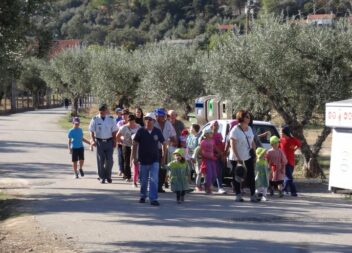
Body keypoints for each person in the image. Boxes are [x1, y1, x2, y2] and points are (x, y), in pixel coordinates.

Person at [131, 112, 167, 206]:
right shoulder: (140, 131)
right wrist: (134, 157)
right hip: (143, 160)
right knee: (143, 180)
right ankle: (143, 196)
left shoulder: (157, 131)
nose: (148, 121)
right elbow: (135, 143)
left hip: (155, 159)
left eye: (150, 119)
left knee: (154, 179)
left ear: (154, 121)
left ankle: (153, 199)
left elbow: (164, 143)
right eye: (146, 119)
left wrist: (164, 156)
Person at [229, 110, 258, 202]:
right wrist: (237, 158)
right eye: (247, 117)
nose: (249, 119)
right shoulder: (235, 130)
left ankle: (253, 195)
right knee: (238, 176)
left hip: (248, 156)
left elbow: (252, 142)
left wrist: (255, 153)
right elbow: (232, 145)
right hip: (236, 157)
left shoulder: (249, 129)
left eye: (249, 117)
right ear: (242, 118)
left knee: (251, 175)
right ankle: (238, 195)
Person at [88, 103, 117, 184]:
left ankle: (108, 176)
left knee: (110, 161)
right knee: (101, 160)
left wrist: (115, 141)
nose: (102, 112)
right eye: (100, 111)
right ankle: (102, 177)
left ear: (106, 111)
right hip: (99, 141)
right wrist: (93, 140)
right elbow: (91, 130)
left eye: (103, 111)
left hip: (109, 141)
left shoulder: (111, 119)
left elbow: (114, 131)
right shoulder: (95, 119)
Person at [154, 108, 177, 193]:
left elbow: (174, 138)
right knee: (154, 167)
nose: (163, 117)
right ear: (156, 116)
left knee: (162, 167)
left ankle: (160, 186)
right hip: (153, 149)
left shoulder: (168, 124)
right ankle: (154, 185)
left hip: (164, 149)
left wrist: (171, 140)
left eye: (164, 115)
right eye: (161, 115)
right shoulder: (153, 124)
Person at [116, 114, 141, 183]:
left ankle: (137, 175)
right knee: (127, 161)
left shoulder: (138, 127)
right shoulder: (123, 127)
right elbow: (117, 136)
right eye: (129, 121)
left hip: (136, 146)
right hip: (126, 146)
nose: (131, 122)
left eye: (132, 121)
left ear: (134, 120)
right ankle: (128, 176)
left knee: (136, 160)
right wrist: (121, 141)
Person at [280, 125, 301, 197]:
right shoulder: (281, 140)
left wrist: (294, 149)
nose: (280, 133)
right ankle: (293, 192)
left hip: (291, 161)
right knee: (289, 177)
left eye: (281, 132)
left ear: (285, 132)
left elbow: (299, 144)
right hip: (284, 161)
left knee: (288, 177)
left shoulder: (293, 139)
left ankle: (284, 190)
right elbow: (279, 148)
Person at [211, 121, 227, 194]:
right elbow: (212, 145)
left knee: (219, 171)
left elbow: (221, 144)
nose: (216, 126)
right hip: (213, 155)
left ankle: (217, 186)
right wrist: (219, 153)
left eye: (217, 125)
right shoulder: (210, 135)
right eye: (215, 125)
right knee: (215, 172)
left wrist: (223, 154)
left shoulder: (219, 134)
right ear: (211, 126)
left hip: (220, 155)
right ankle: (219, 187)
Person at [200, 129, 218, 194]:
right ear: (206, 134)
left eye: (211, 133)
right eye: (210, 133)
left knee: (214, 175)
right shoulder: (203, 142)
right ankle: (208, 188)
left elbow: (215, 148)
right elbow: (201, 152)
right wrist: (207, 156)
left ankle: (206, 184)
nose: (211, 134)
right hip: (206, 160)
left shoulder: (213, 141)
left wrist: (221, 153)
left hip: (212, 159)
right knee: (209, 174)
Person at [116, 109, 130, 178]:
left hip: (128, 144)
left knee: (126, 159)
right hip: (120, 143)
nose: (123, 116)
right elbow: (118, 132)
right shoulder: (120, 123)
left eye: (125, 114)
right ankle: (122, 170)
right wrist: (121, 138)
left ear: (128, 115)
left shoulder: (131, 123)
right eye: (122, 114)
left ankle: (126, 172)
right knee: (120, 157)